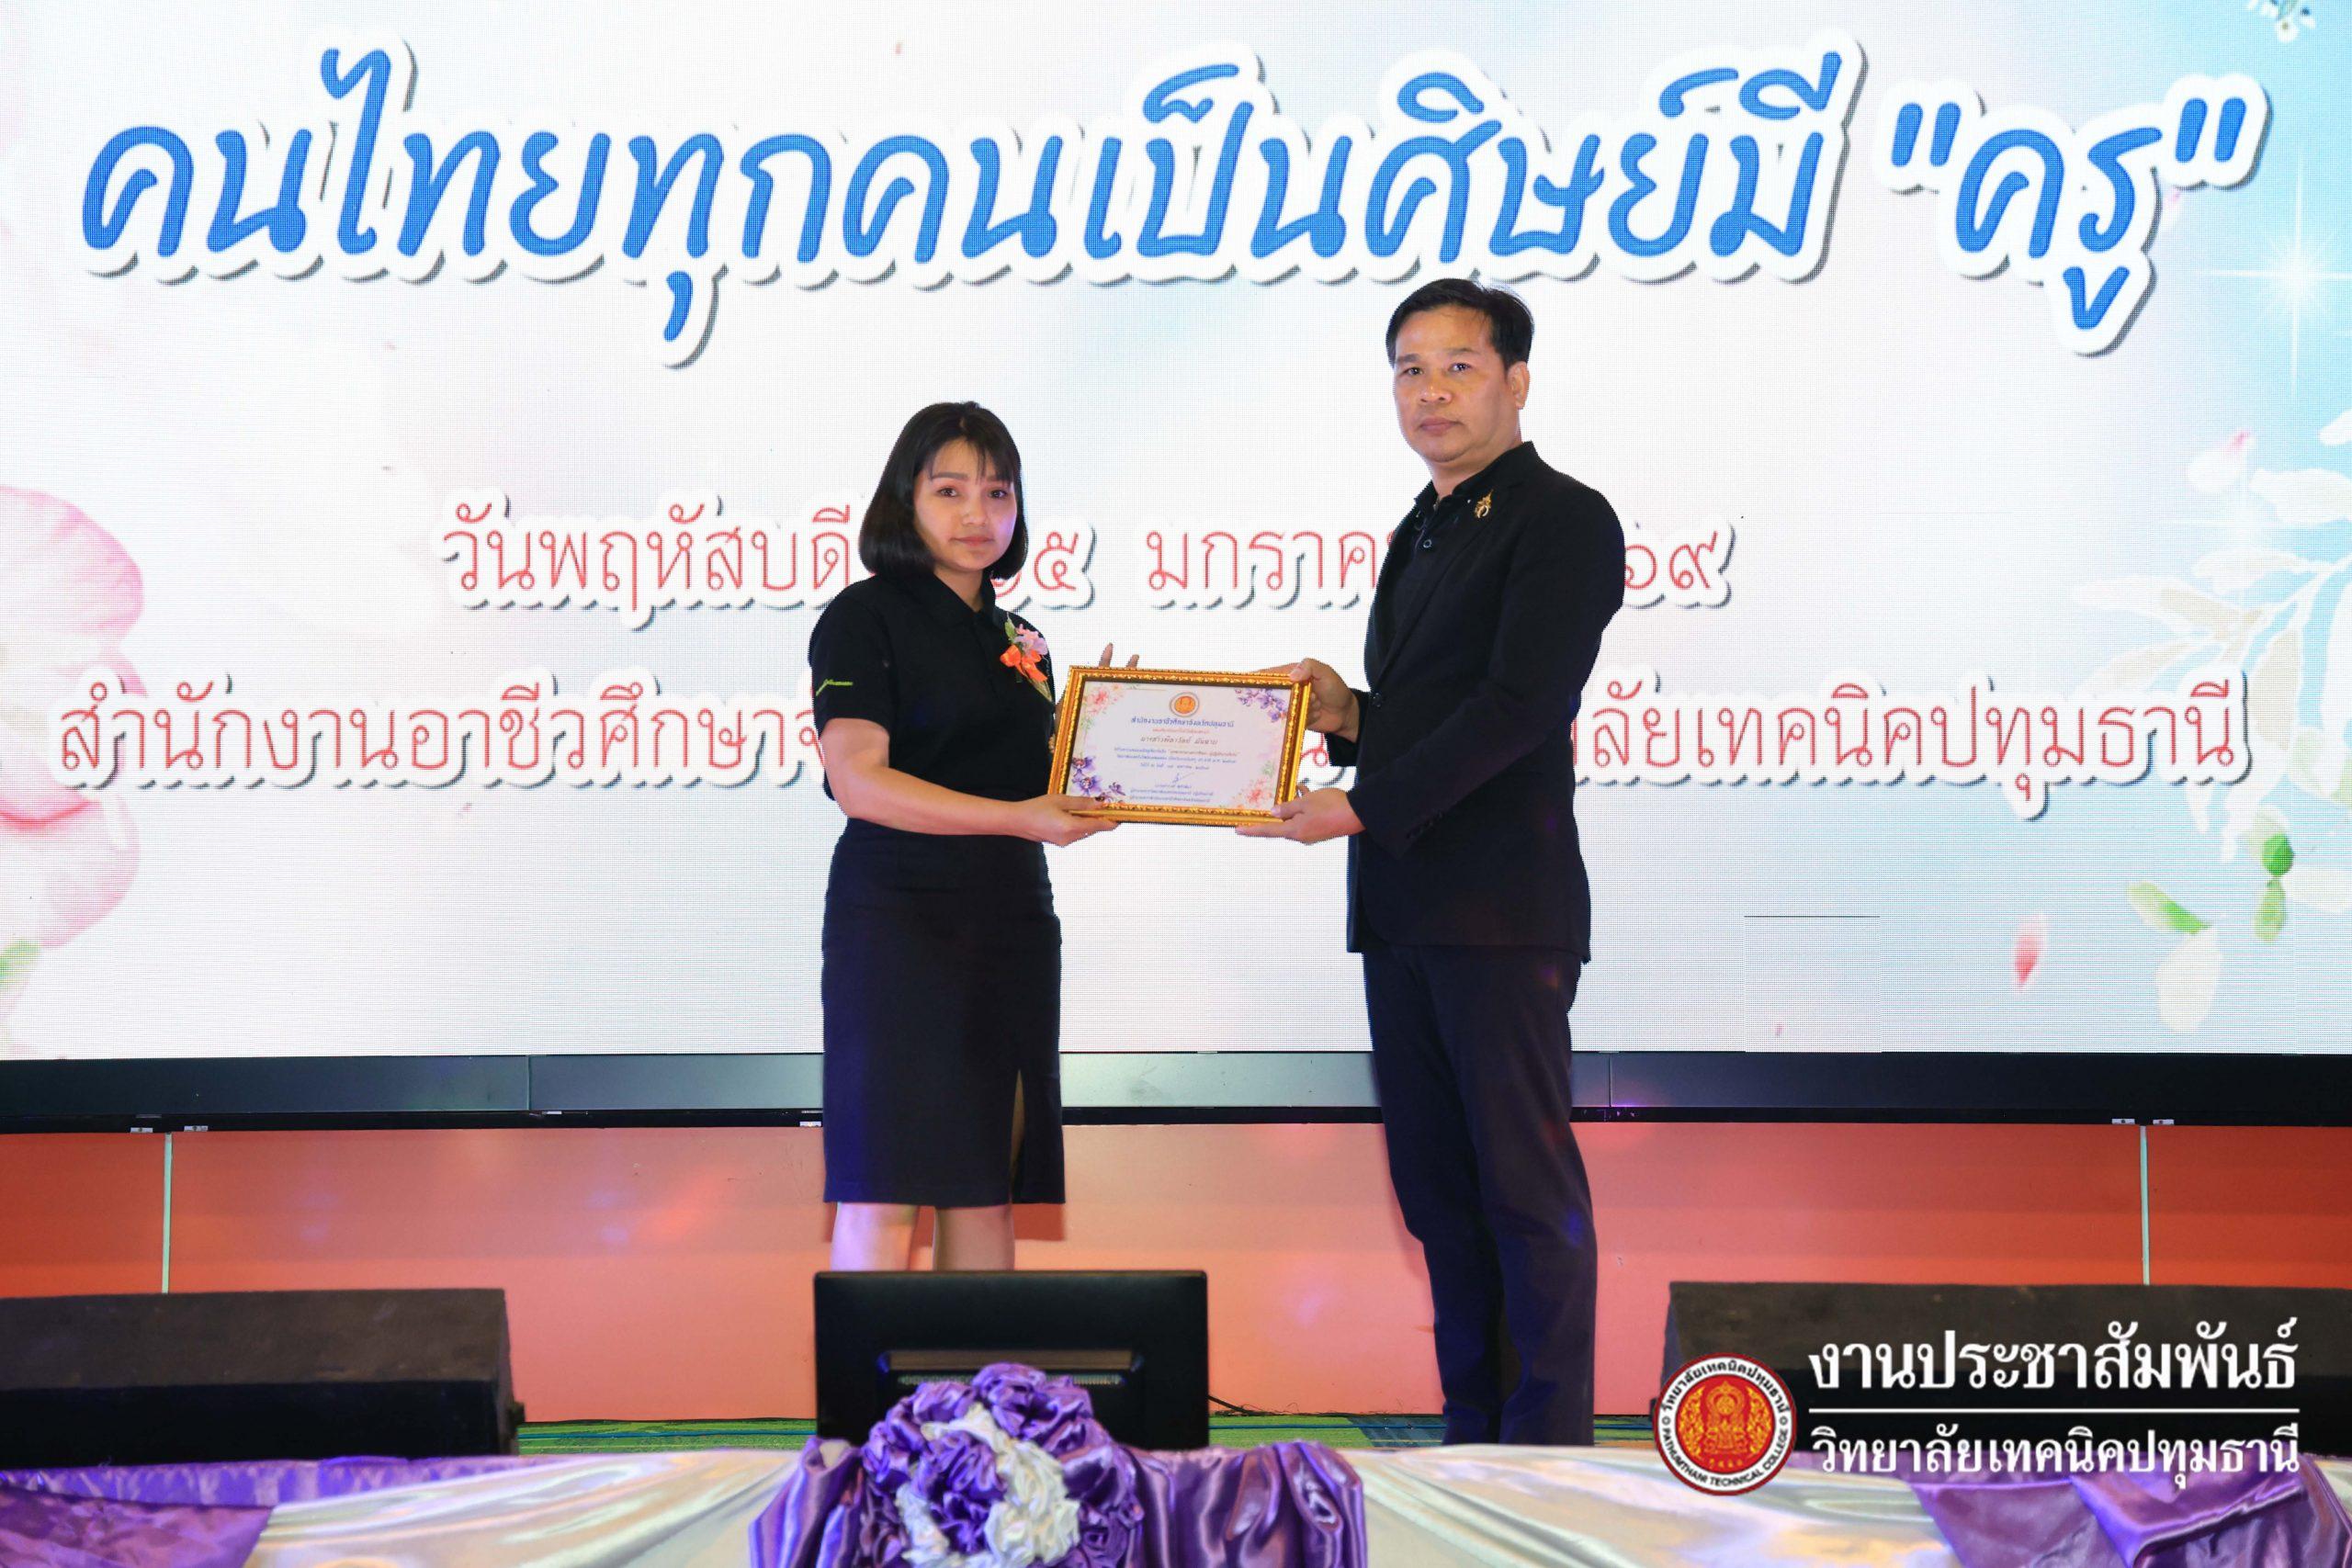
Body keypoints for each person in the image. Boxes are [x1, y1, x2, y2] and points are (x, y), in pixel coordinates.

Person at [1240, 279, 1627, 1444]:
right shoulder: (1422, 525)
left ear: (1516, 380)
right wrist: (1347, 714)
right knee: (1440, 1196)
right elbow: (1433, 711)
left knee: (1522, 1194)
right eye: (1410, 369)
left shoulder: (1562, 518)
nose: (1432, 391)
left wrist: (1360, 805)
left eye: (1459, 366)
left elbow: (1517, 708)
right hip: (1406, 908)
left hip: (1499, 912)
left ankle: (1546, 1451)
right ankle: (1475, 1433)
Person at [808, 400, 1126, 1272]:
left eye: (998, 492)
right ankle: (868, 1372)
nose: (977, 514)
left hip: (1009, 921)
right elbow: (859, 780)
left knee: (988, 1185)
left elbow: (1042, 784)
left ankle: (979, 1370)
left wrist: (1111, 735)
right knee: (884, 1184)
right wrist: (1019, 816)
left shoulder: (1023, 638)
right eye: (949, 490)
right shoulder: (863, 617)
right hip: (899, 923)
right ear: (904, 500)